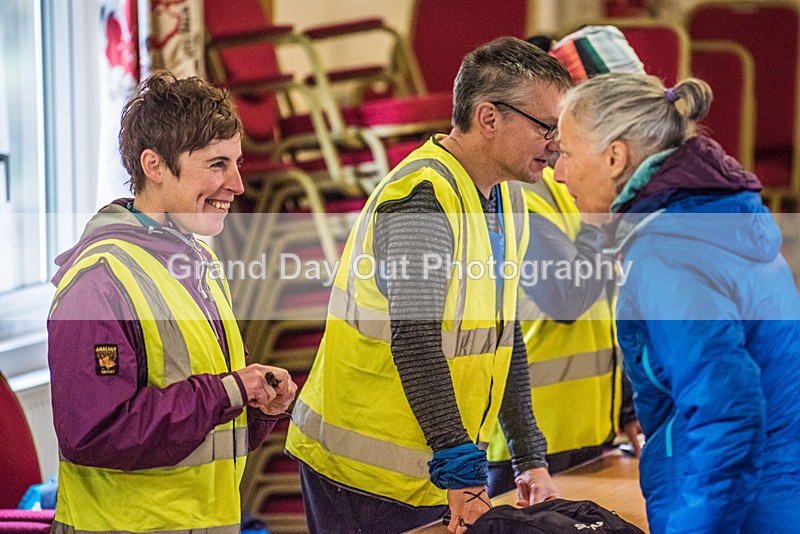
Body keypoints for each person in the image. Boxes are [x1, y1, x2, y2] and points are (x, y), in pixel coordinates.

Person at [285, 37, 573, 533]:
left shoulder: (508, 198)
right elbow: (416, 342)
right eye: (546, 127)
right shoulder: (421, 198)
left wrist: (528, 458)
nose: (556, 143)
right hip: (363, 473)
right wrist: (462, 473)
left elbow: (503, 337)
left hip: (431, 466)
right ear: (489, 117)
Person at [47, 71, 297, 534]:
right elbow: (94, 433)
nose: (237, 184)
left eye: (237, 163)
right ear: (155, 165)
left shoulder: (198, 259)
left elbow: (203, 429)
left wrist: (255, 404)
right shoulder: (99, 282)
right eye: (217, 164)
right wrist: (228, 392)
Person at [555, 72, 800, 533]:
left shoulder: (668, 251)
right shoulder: (708, 219)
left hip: (743, 514)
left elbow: (727, 415)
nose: (558, 172)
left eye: (567, 153)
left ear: (615, 157)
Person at [487, 25, 644, 495]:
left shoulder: (595, 185)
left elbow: (608, 310)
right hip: (523, 451)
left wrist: (627, 407)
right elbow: (567, 295)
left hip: (591, 433)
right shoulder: (521, 187)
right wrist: (606, 217)